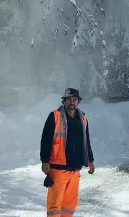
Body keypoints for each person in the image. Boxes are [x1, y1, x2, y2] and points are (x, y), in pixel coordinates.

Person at [40, 88, 95, 217]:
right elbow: (45, 140)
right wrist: (44, 161)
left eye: (74, 99)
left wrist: (90, 160)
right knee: (55, 204)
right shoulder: (54, 116)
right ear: (64, 101)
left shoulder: (83, 118)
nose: (72, 102)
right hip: (58, 168)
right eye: (69, 99)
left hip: (75, 169)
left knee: (70, 204)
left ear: (78, 102)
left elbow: (86, 141)